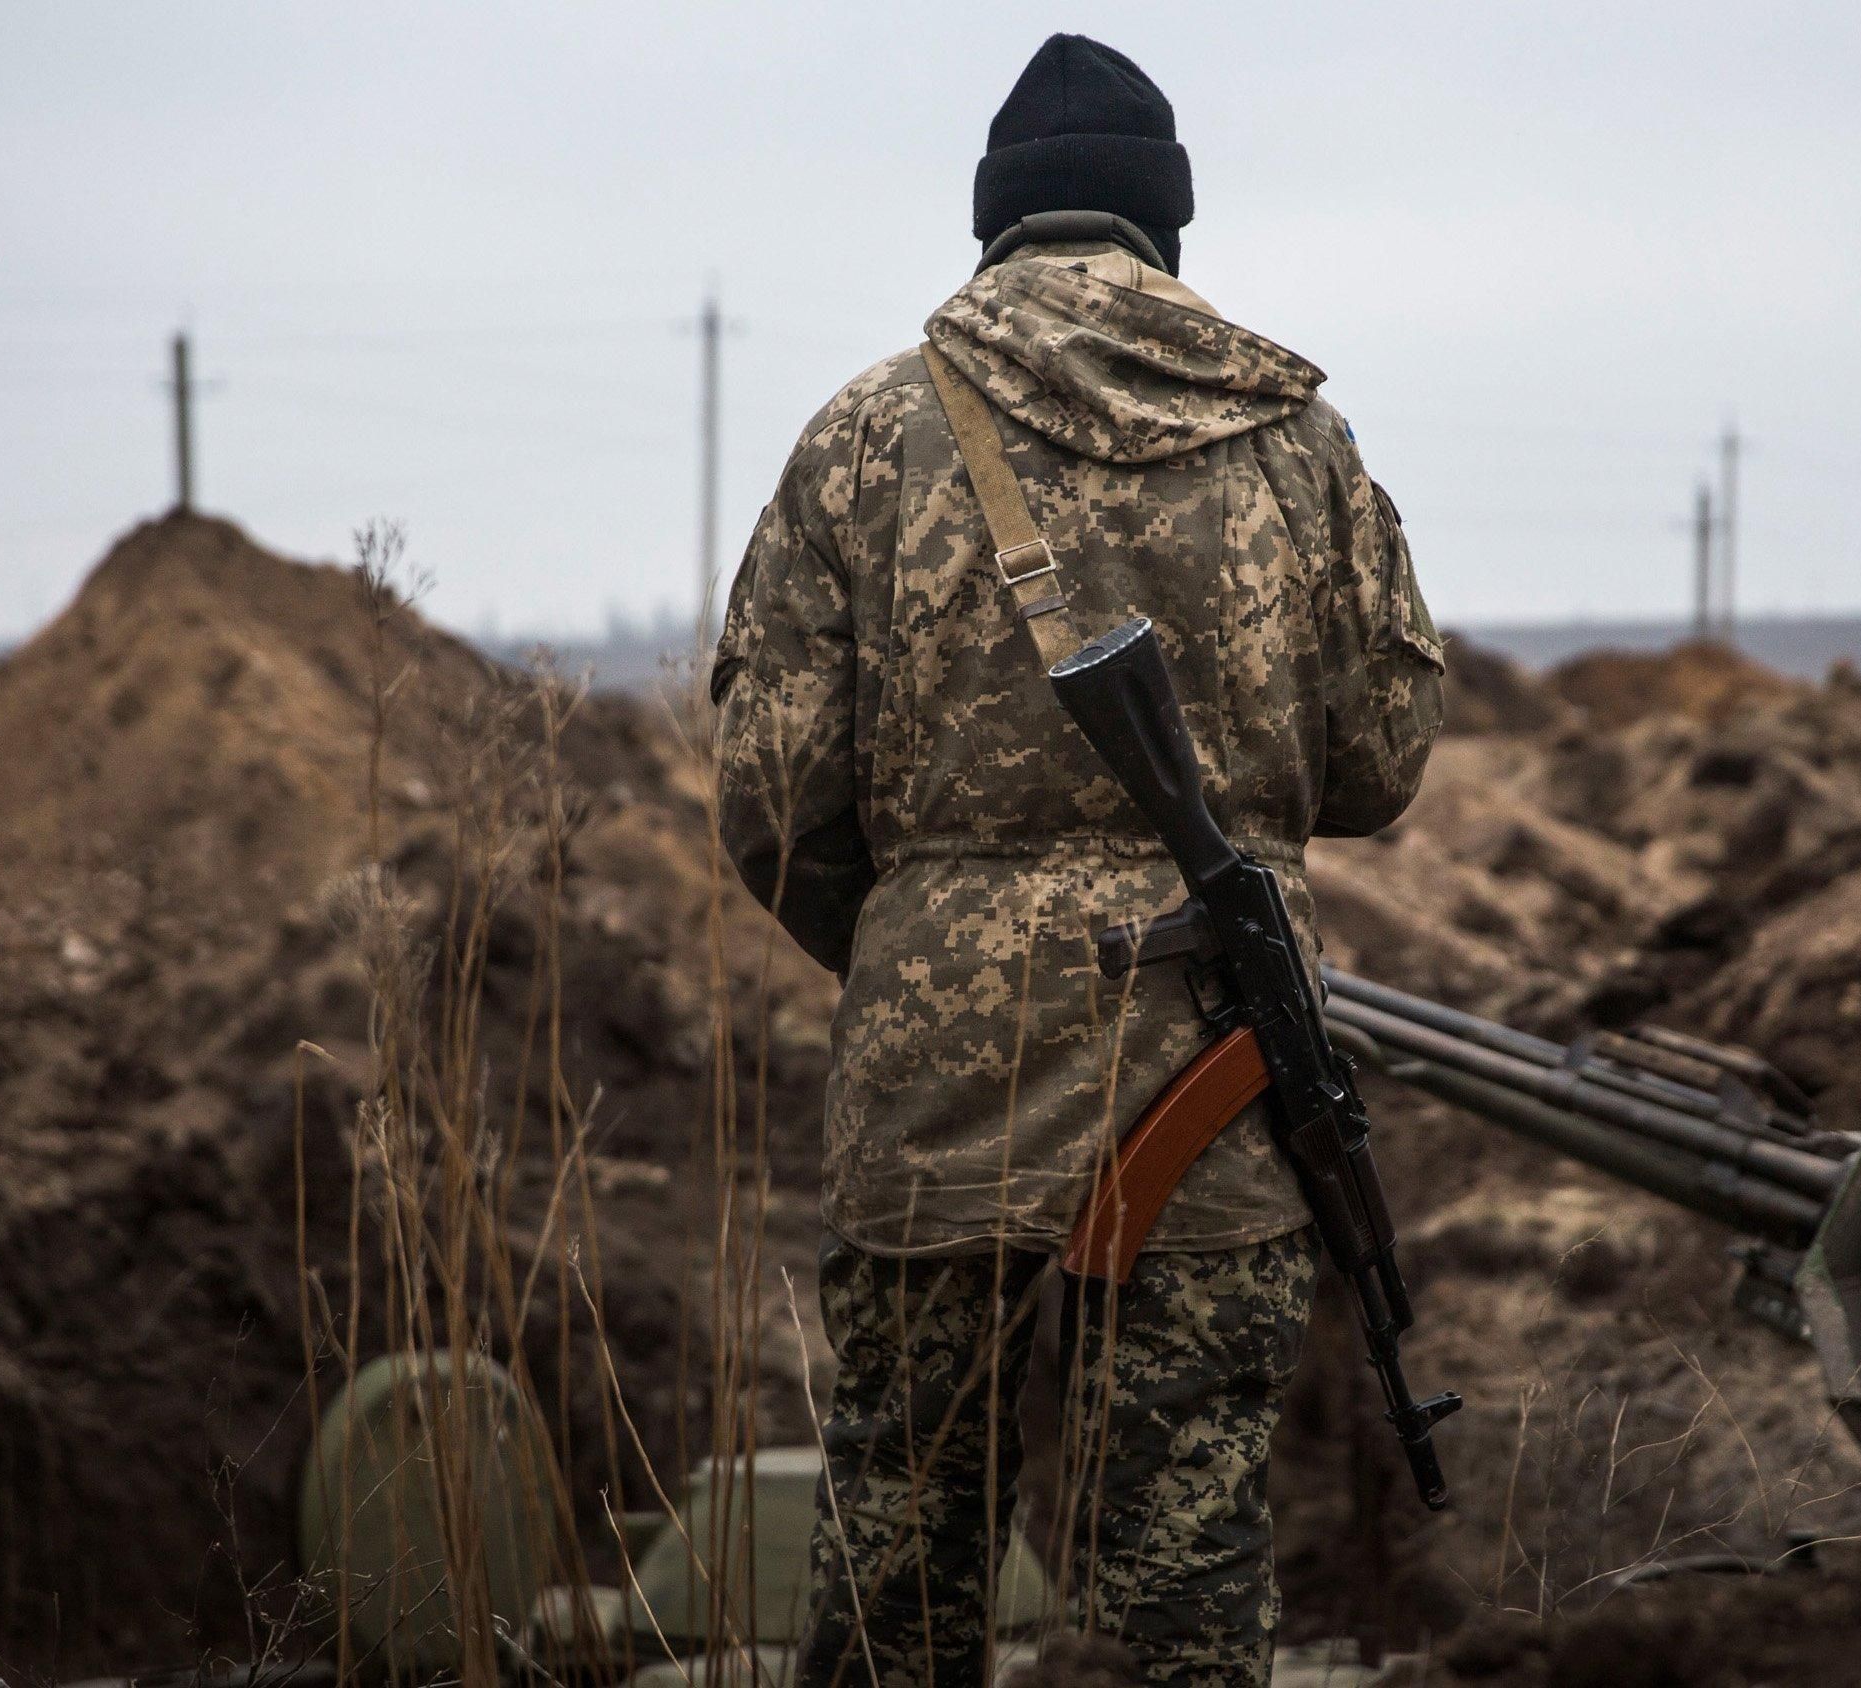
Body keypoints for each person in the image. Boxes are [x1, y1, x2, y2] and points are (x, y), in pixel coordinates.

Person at [710, 32, 1444, 1688]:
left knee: (903, 1540)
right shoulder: (1297, 434)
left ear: (996, 227)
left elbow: (769, 791)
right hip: (1217, 1058)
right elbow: (1384, 761)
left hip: (931, 1077)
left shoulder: (861, 437)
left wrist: (922, 937)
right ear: (1163, 226)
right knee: (1186, 1563)